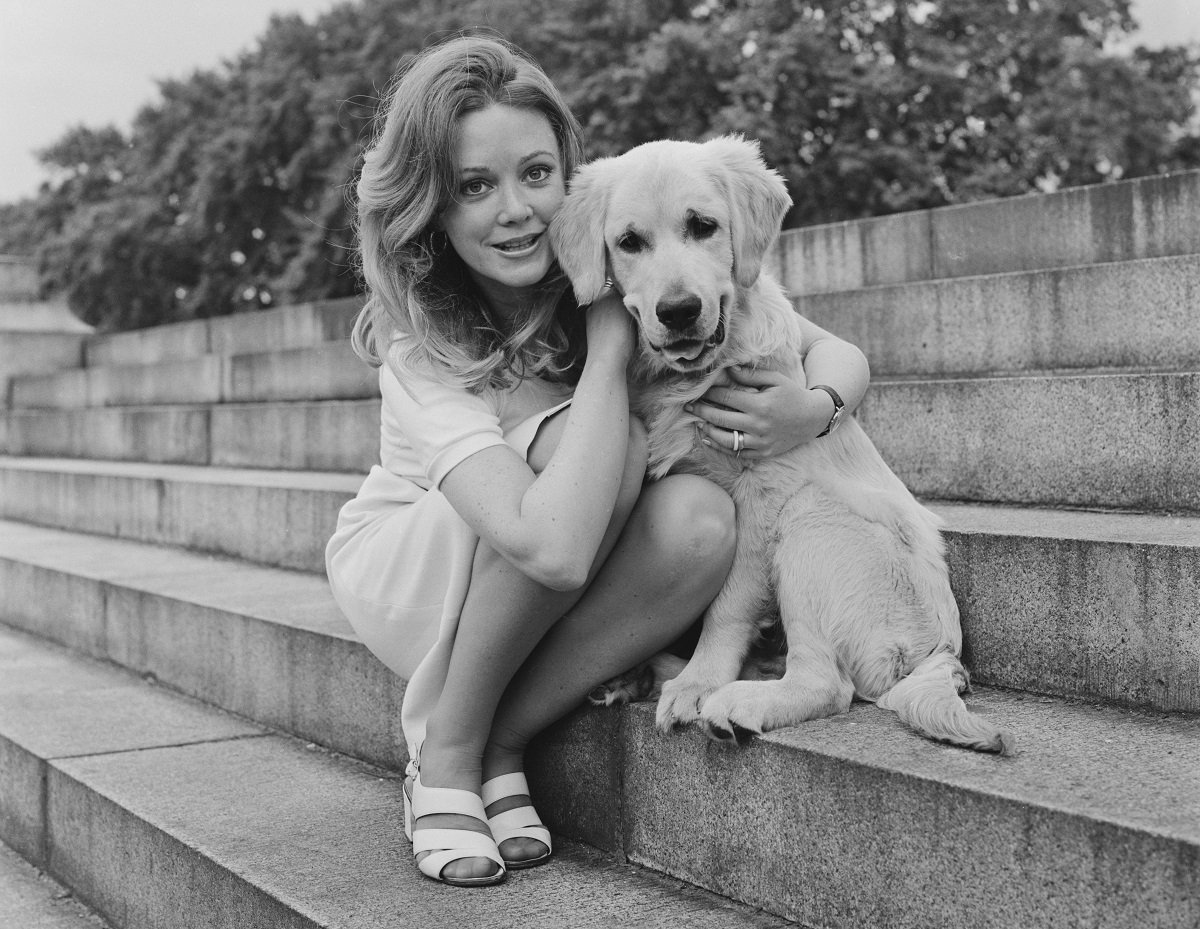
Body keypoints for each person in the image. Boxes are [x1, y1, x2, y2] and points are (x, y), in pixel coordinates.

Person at [324, 34, 870, 888]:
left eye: (536, 174)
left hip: (561, 547)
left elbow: (832, 348)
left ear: (569, 181)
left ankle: (508, 737)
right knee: (603, 440)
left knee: (701, 521)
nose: (516, 209)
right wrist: (610, 355)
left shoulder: (619, 252)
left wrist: (813, 408)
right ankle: (449, 751)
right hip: (429, 571)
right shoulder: (419, 348)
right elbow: (547, 543)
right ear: (430, 206)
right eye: (475, 186)